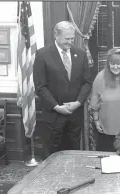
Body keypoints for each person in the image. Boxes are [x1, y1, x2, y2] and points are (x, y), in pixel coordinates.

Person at [33, 21, 92, 157]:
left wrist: (78, 103)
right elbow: (40, 86)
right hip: (54, 115)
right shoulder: (42, 55)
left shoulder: (81, 54)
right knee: (53, 154)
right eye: (67, 38)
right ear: (56, 35)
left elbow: (87, 82)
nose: (70, 42)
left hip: (75, 114)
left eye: (72, 38)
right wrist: (56, 106)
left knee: (73, 153)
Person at [90, 48, 120, 152]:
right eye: (112, 64)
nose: (115, 67)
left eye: (118, 64)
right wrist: (96, 120)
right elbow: (95, 102)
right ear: (108, 64)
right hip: (106, 128)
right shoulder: (100, 77)